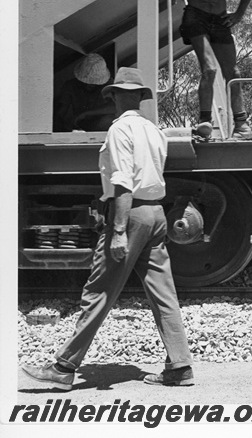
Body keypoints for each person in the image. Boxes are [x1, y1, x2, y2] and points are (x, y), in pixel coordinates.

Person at [22, 67, 194, 390]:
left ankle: (63, 366)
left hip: (131, 215)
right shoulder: (154, 130)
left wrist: (117, 231)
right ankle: (180, 365)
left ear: (114, 95)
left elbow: (123, 182)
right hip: (157, 213)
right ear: (141, 98)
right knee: (163, 292)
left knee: (99, 290)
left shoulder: (119, 131)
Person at [159, 0, 252, 140]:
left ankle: (241, 126)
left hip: (220, 18)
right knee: (210, 69)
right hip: (195, 16)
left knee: (234, 73)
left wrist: (239, 14)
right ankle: (204, 122)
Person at [54, 53, 116, 132]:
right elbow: (61, 110)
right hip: (79, 125)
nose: (89, 85)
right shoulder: (70, 86)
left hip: (100, 124)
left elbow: (115, 107)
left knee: (110, 121)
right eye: (85, 83)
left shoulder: (109, 85)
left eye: (93, 84)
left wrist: (86, 113)